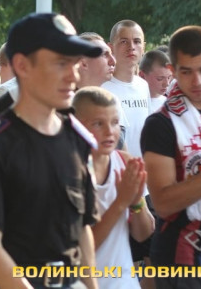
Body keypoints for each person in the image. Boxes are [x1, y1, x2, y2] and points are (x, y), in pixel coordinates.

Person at [0, 13, 100, 288]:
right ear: (22, 66)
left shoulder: (78, 140)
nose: (73, 75)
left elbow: (83, 229)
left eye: (75, 63)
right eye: (60, 63)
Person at [142, 25, 201, 288]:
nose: (197, 81)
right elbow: (164, 203)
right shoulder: (160, 124)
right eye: (187, 72)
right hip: (183, 259)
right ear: (173, 71)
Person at [73, 87, 154, 289]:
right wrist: (120, 202)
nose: (110, 132)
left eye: (115, 122)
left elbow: (143, 235)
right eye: (98, 123)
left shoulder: (125, 162)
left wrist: (136, 203)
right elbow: (80, 252)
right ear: (76, 126)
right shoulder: (68, 172)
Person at [102, 20, 150, 158]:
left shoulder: (143, 85)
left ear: (143, 47)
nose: (131, 47)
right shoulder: (102, 87)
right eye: (124, 41)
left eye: (137, 41)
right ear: (111, 47)